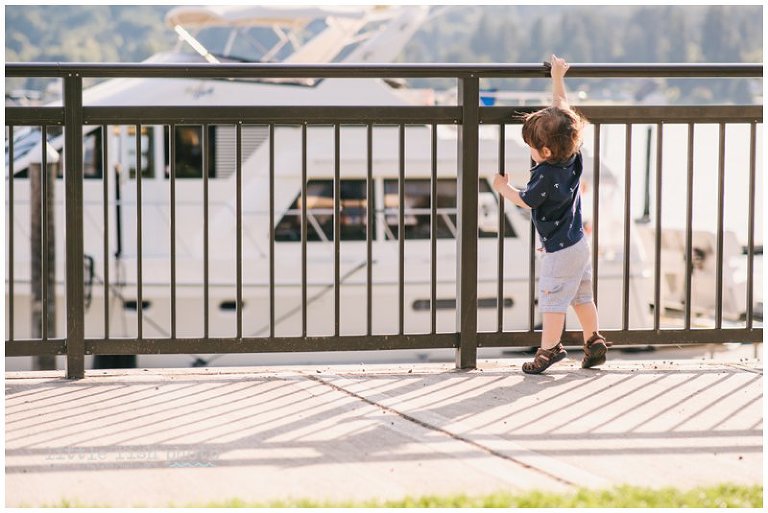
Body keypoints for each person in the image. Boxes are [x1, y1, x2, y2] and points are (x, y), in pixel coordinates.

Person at [492, 54, 610, 374]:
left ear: (544, 152)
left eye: (531, 146)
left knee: (553, 301)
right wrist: (558, 78)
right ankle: (593, 340)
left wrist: (504, 188)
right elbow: (563, 111)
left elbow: (527, 201)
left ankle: (548, 351)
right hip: (578, 243)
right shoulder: (572, 155)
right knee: (582, 296)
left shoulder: (544, 175)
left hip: (559, 251)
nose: (530, 150)